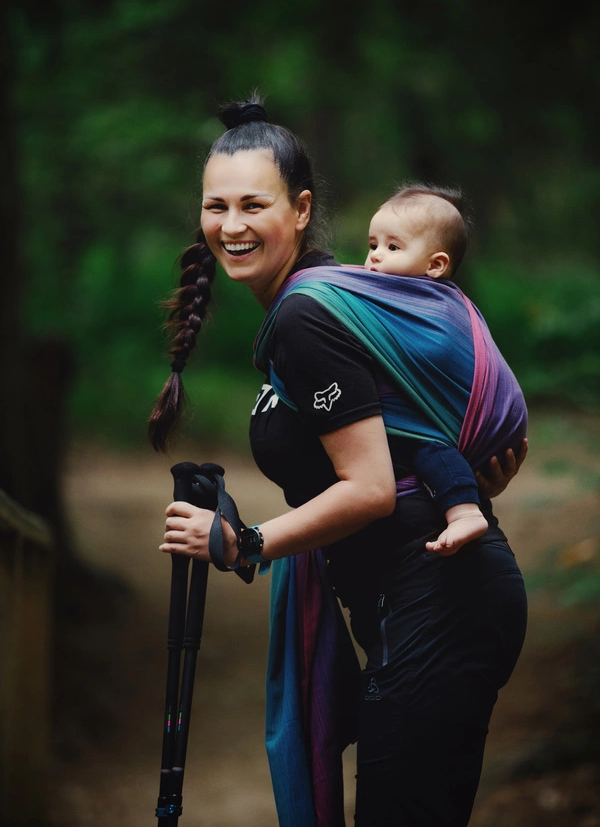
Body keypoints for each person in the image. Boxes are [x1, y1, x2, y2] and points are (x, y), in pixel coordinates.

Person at [149, 95, 528, 827]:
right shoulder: (329, 303)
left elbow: (372, 488)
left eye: (253, 204)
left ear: (300, 210)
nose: (231, 225)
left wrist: (244, 542)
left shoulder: (307, 315)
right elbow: (401, 441)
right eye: (215, 206)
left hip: (438, 604)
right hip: (426, 600)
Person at [363, 183, 498, 556]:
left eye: (393, 247)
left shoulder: (432, 306)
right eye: (372, 245)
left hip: (434, 423)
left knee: (428, 448)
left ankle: (464, 512)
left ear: (435, 265)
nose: (375, 256)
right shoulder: (380, 294)